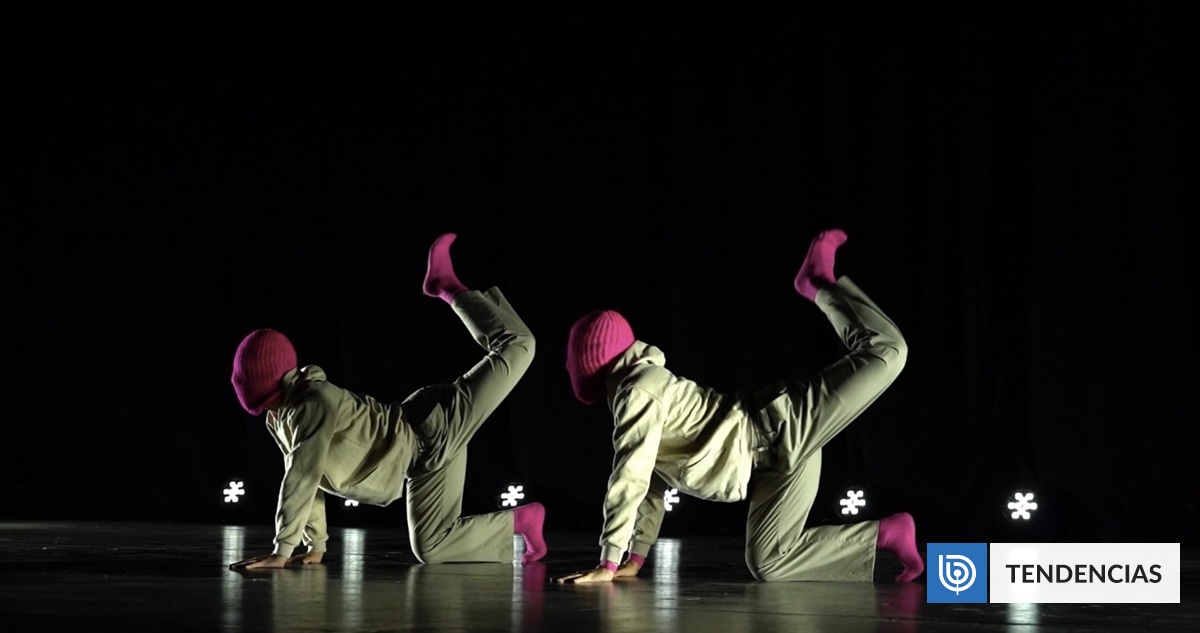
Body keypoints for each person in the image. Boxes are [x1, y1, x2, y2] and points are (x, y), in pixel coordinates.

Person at [553, 228, 923, 584]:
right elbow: (650, 482)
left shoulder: (640, 390)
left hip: (783, 427)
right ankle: (887, 534)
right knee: (769, 561)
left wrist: (607, 560)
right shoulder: (637, 394)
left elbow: (629, 475)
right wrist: (633, 558)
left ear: (588, 362)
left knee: (887, 351)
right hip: (773, 464)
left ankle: (818, 284)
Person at [228, 233, 547, 570]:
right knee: (432, 547)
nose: (265, 410)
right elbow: (308, 476)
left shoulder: (313, 402)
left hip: (433, 428)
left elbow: (302, 476)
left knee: (519, 345)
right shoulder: (280, 418)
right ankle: (523, 521)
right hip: (421, 460)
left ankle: (447, 286)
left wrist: (282, 550)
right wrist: (315, 545)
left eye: (265, 401)